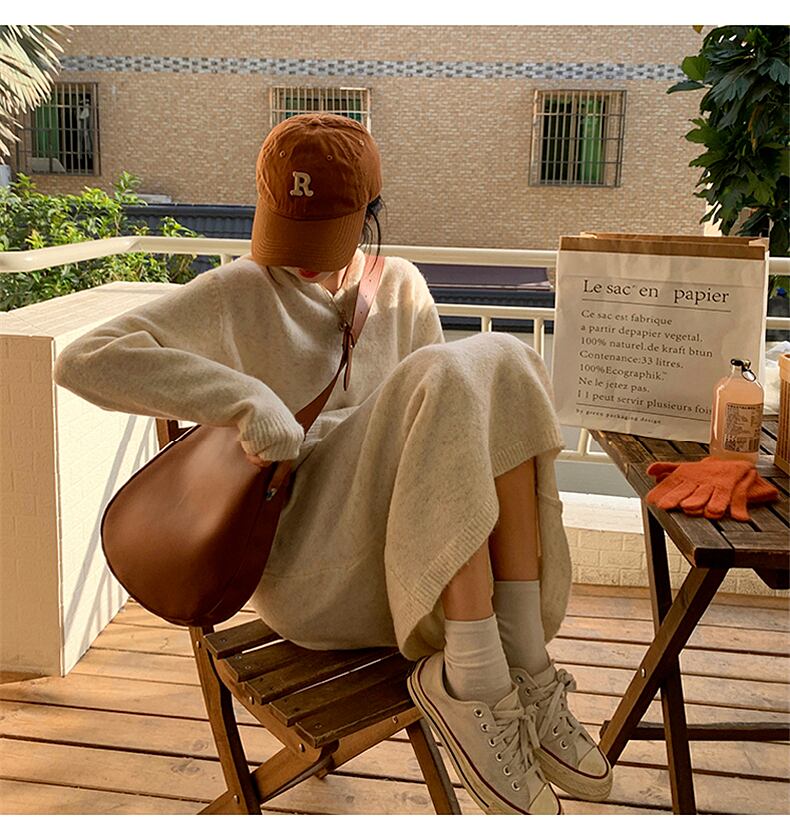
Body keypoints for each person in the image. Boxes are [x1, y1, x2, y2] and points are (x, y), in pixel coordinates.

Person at [52, 113, 612, 815]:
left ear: (369, 214)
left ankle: (522, 655)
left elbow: (450, 445)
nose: (302, 258)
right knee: (462, 367)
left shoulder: (401, 287)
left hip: (409, 561)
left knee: (508, 358)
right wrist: (245, 398)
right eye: (288, 230)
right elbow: (83, 360)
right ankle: (472, 674)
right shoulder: (237, 291)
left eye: (322, 234)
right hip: (307, 576)